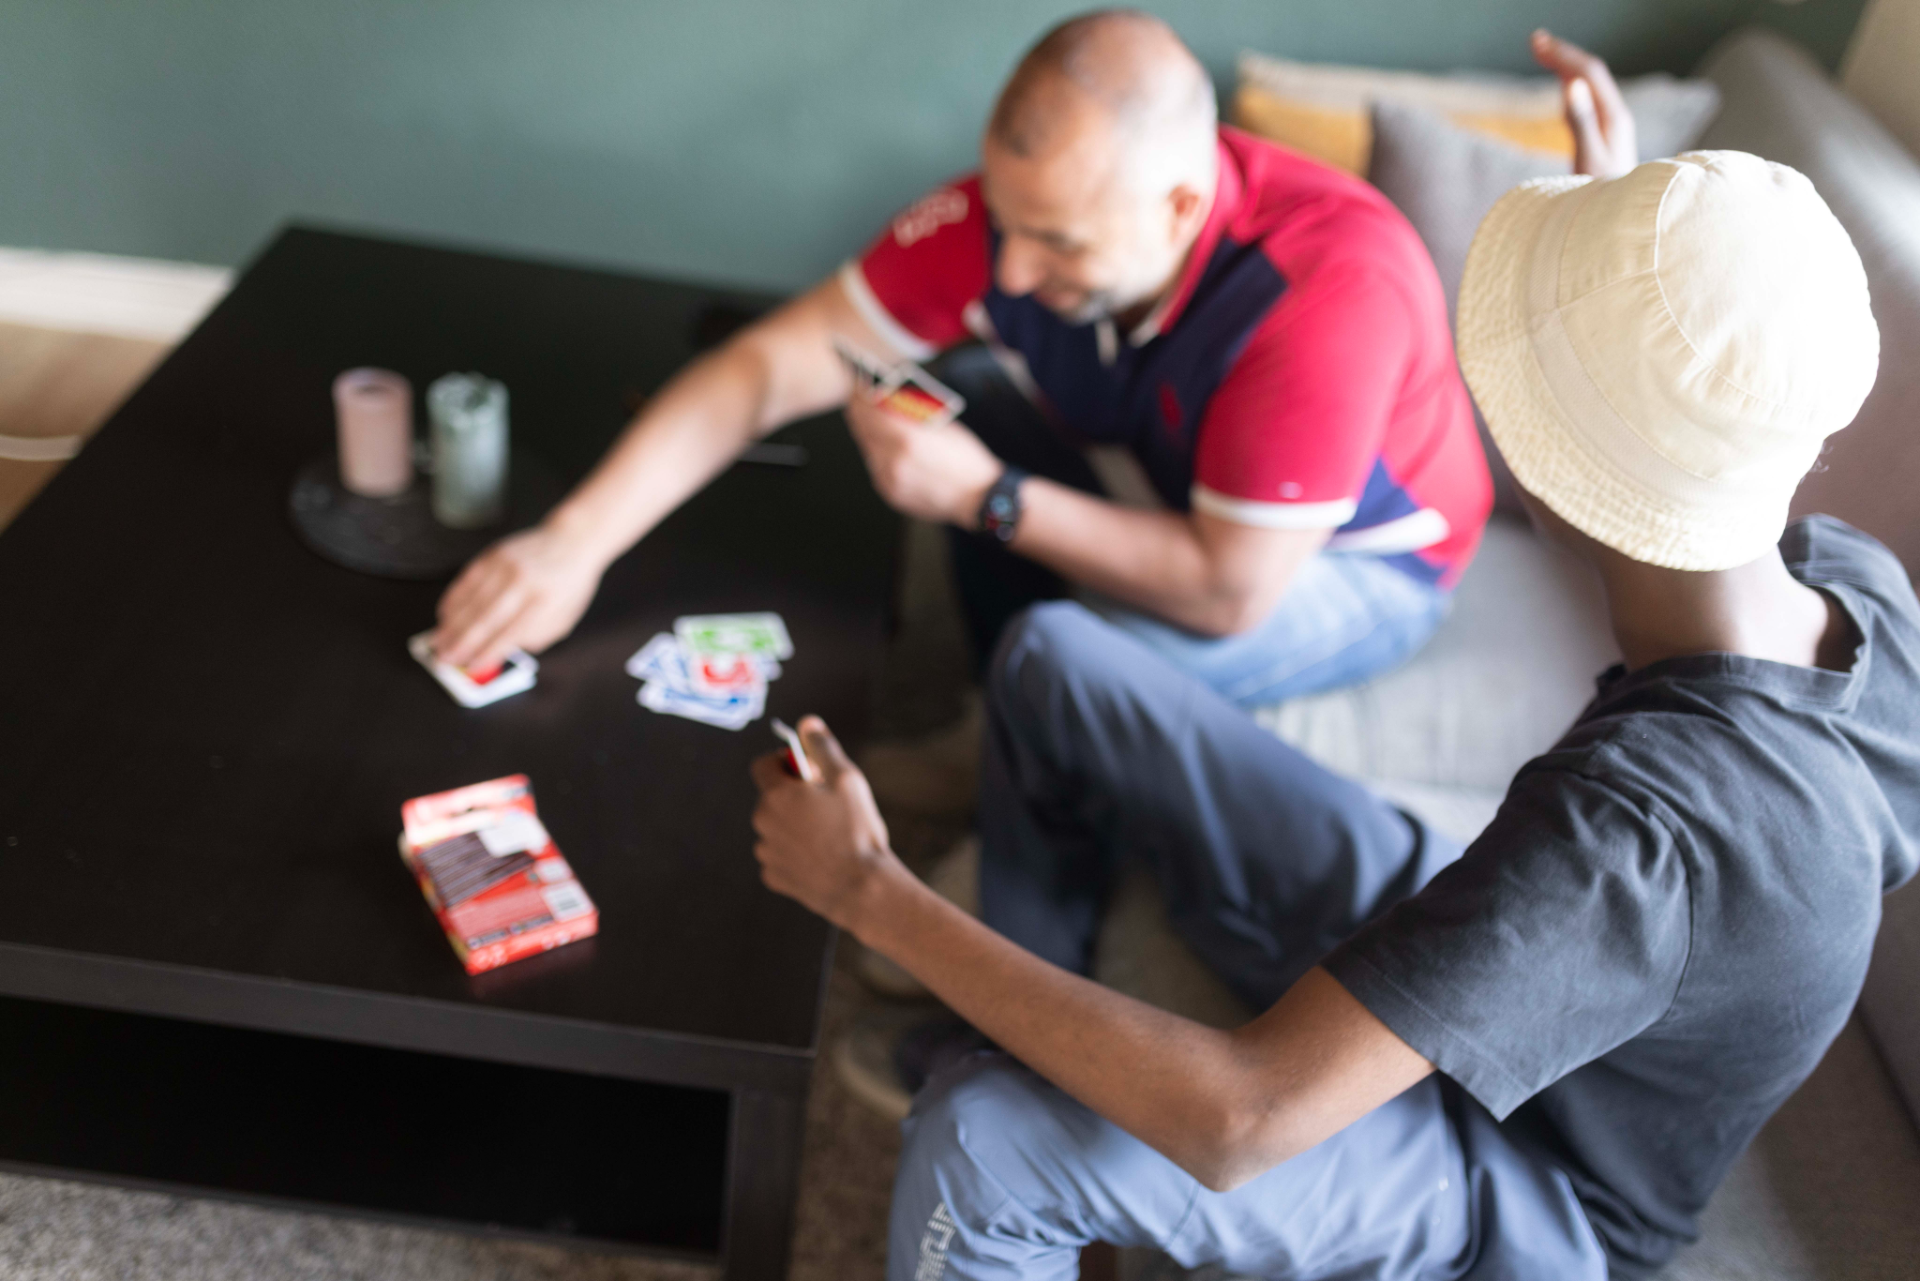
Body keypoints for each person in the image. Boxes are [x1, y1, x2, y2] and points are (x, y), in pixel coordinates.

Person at [746, 142, 1913, 1279]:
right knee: (1056, 659)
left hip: (1537, 1182)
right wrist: (1644, 295)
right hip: (1521, 952)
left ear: (1561, 476)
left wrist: (867, 891)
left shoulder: (1630, 833)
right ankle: (1008, 1008)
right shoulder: (1855, 585)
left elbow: (1239, 1121)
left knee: (983, 1143)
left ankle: (985, 1042)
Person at [431, 10, 1492, 712]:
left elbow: (1228, 591)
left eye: (1060, 243)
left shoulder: (1327, 297)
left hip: (1357, 563)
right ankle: (996, 717)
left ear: (1179, 208)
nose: (1013, 273)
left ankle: (1023, 800)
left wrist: (991, 497)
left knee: (1063, 669)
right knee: (968, 395)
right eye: (1007, 223)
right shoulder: (1001, 220)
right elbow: (766, 367)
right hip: (1176, 476)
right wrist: (572, 542)